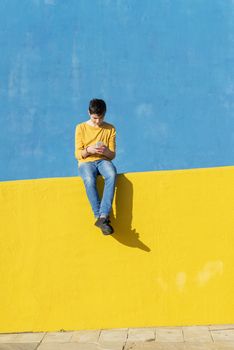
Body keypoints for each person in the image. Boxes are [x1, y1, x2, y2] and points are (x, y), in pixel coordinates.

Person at [75, 99, 117, 235]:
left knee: (111, 174)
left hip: (103, 161)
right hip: (86, 161)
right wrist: (89, 150)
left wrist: (105, 152)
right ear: (89, 113)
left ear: (104, 114)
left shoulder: (110, 128)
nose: (97, 121)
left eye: (100, 118)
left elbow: (112, 155)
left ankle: (103, 216)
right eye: (94, 118)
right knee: (89, 180)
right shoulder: (80, 127)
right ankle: (98, 216)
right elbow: (78, 154)